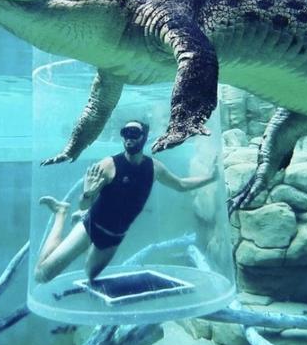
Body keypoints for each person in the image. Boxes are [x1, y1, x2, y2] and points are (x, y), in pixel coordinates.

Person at [34, 120, 218, 283]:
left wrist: (211, 178)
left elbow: (181, 185)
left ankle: (81, 231)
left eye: (134, 133)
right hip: (92, 225)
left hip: (115, 236)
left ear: (144, 137)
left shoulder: (154, 168)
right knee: (42, 275)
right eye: (125, 133)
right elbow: (84, 204)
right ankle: (61, 213)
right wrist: (88, 194)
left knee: (89, 274)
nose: (129, 138)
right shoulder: (108, 165)